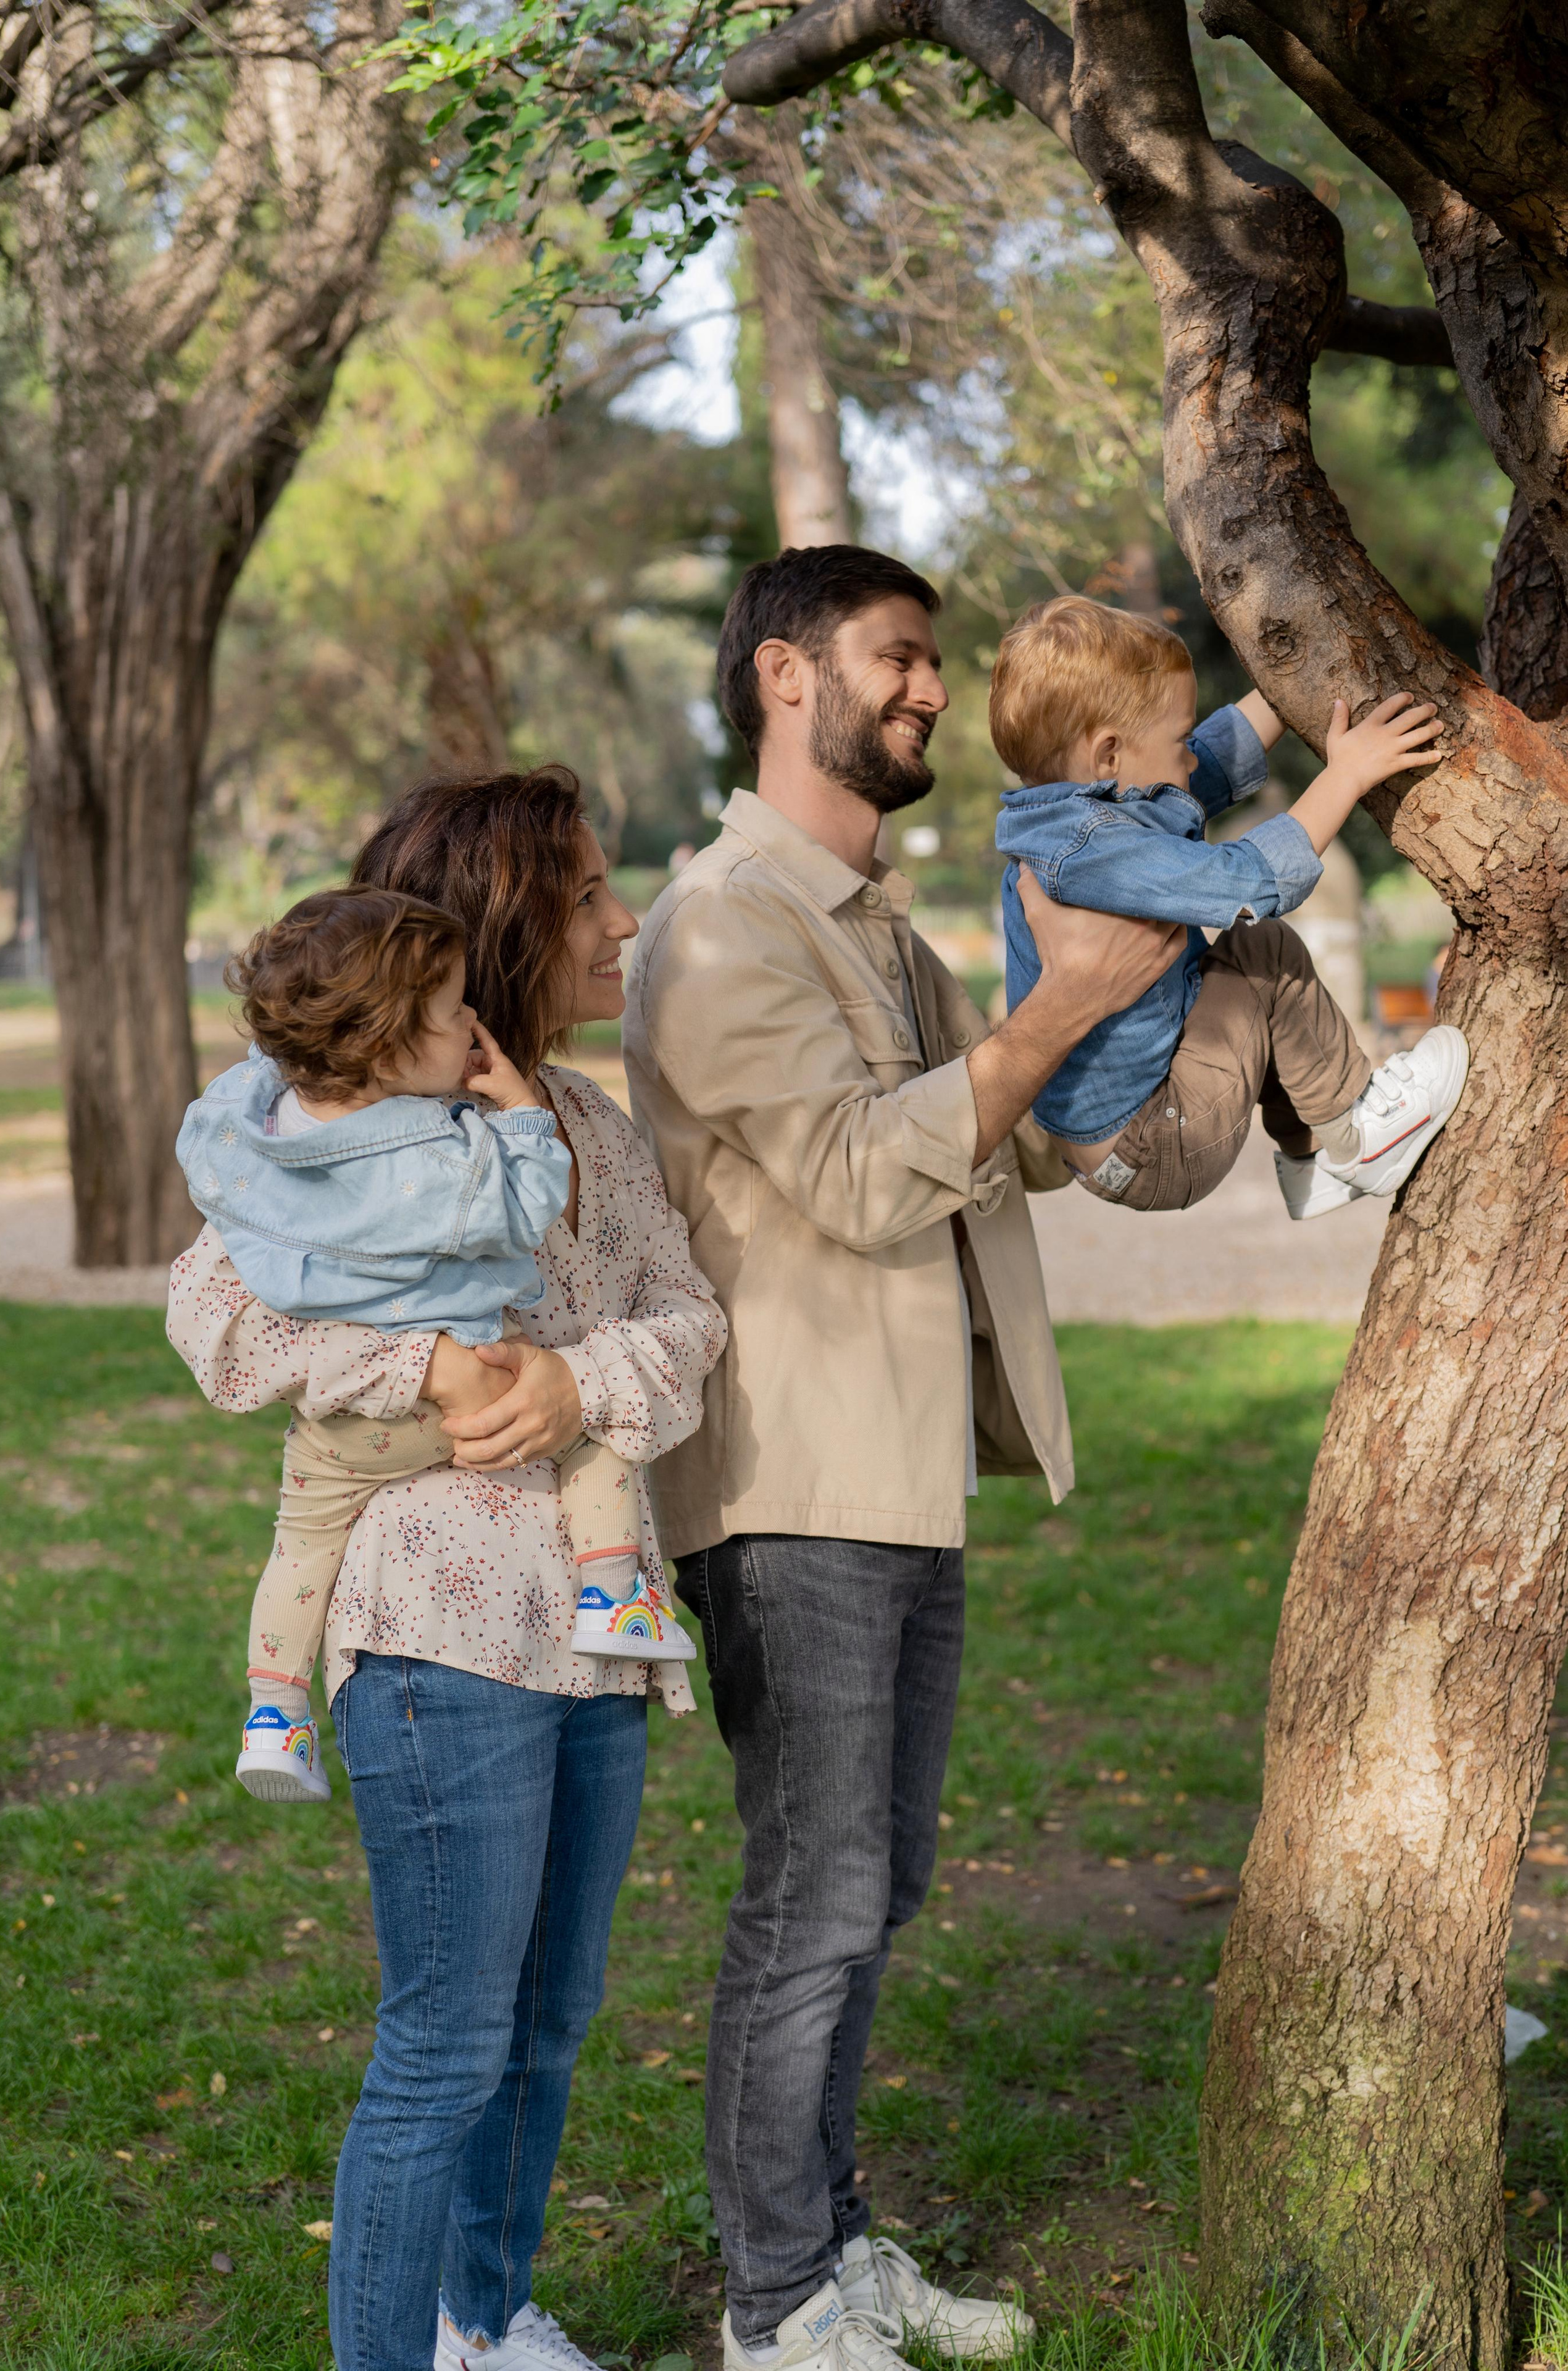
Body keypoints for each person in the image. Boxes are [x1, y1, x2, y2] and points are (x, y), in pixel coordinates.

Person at [622, 545, 1188, 2371]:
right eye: (898, 657)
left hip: (899, 1480)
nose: (930, 690)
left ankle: (832, 2246)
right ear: (786, 678)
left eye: (932, 661)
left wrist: (1140, 1040)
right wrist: (1051, 1011)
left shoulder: (875, 918)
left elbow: (1003, 1138)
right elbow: (869, 1175)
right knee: (811, 1898)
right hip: (787, 1490)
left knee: (876, 1890)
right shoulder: (720, 923)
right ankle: (773, 2299)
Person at [166, 767, 728, 2371]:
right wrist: (419, 1367)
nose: (622, 923)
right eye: (586, 899)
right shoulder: (328, 1133)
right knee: (448, 2045)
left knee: (545, 2032)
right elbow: (216, 1323)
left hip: (602, 1641)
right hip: (435, 1645)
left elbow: (688, 1324)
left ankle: (484, 2320)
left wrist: (580, 1385)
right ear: (498, 927)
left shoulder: (593, 1132)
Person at [175, 885, 693, 1805]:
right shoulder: (440, 1158)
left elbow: (688, 1311)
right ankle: (613, 1589)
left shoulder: (267, 1144)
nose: (622, 919)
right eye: (453, 1009)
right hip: (472, 1417)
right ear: (391, 1043)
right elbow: (523, 1201)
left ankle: (273, 1710)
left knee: (298, 1548)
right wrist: (522, 1113)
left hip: (342, 1437)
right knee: (593, 1426)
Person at [991, 595, 1469, 1220]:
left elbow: (1210, 762)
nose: (1189, 753)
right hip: (1155, 1147)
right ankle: (1362, 1136)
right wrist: (1345, 776)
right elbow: (1245, 882)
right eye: (1177, 738)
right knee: (1261, 950)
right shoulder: (1090, 851)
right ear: (1109, 756)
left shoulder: (1085, 811)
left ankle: (1311, 1167)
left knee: (1243, 981)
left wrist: (1292, 679)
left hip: (1137, 1135)